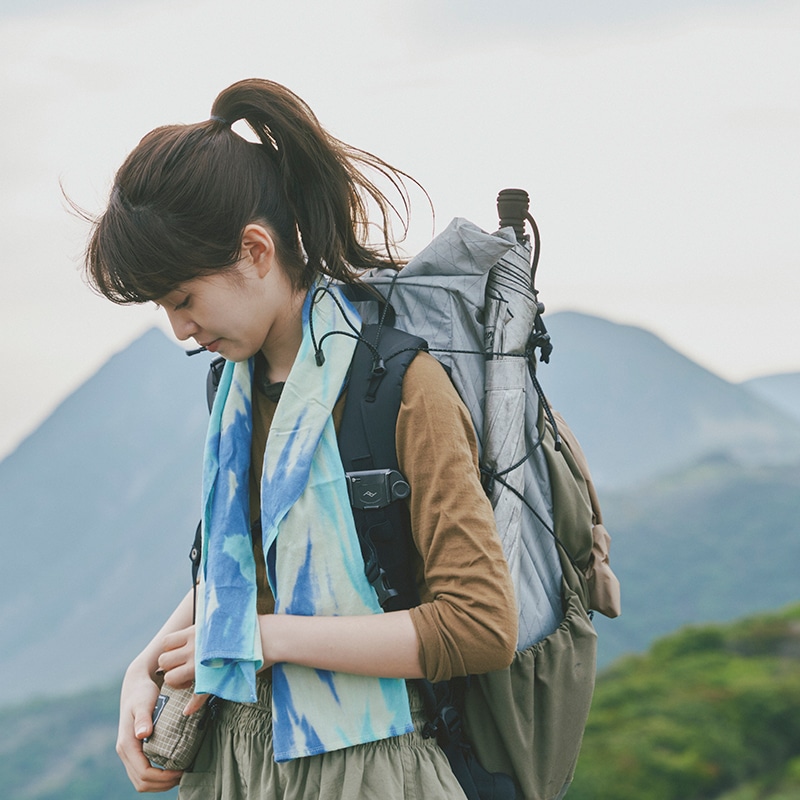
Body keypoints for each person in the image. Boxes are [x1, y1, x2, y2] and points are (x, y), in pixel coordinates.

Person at [84, 78, 517, 799]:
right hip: (237, 766)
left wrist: (267, 639)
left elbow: (477, 625)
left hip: (369, 769)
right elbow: (249, 565)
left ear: (255, 250)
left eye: (184, 298)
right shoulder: (233, 391)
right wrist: (147, 664)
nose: (179, 329)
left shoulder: (400, 388)